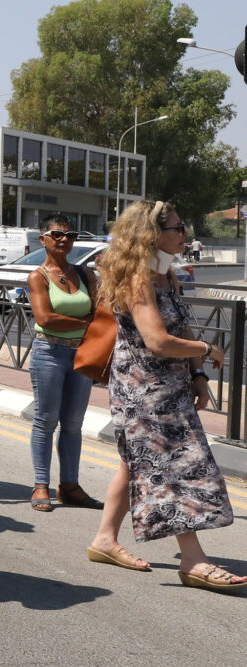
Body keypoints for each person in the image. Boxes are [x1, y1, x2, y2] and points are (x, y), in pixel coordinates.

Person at [85, 201, 243, 590]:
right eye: (177, 228)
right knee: (172, 467)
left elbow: (181, 329)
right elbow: (157, 340)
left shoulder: (167, 275)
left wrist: (198, 375)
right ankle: (193, 560)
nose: (185, 233)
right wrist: (208, 349)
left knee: (136, 463)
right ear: (151, 235)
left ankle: (104, 539)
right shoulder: (137, 279)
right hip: (144, 392)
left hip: (169, 388)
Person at [24, 216, 101, 512]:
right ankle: (40, 485)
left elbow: (100, 311)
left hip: (81, 354)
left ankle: (70, 486)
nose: (64, 240)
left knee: (73, 423)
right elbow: (45, 318)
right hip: (49, 352)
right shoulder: (38, 276)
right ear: (43, 239)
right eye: (57, 234)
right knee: (46, 420)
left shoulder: (85, 273)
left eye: (70, 235)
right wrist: (85, 322)